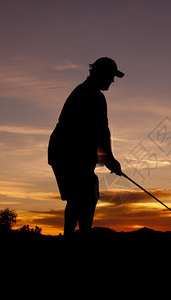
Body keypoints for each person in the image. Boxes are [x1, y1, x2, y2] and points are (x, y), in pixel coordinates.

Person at [48, 57, 124, 239]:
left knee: (79, 198)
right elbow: (102, 131)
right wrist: (110, 159)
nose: (113, 81)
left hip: (63, 152)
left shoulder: (84, 91)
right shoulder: (94, 95)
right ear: (101, 74)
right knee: (85, 196)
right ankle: (82, 240)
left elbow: (97, 133)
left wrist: (107, 159)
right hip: (69, 154)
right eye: (111, 76)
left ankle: (75, 239)